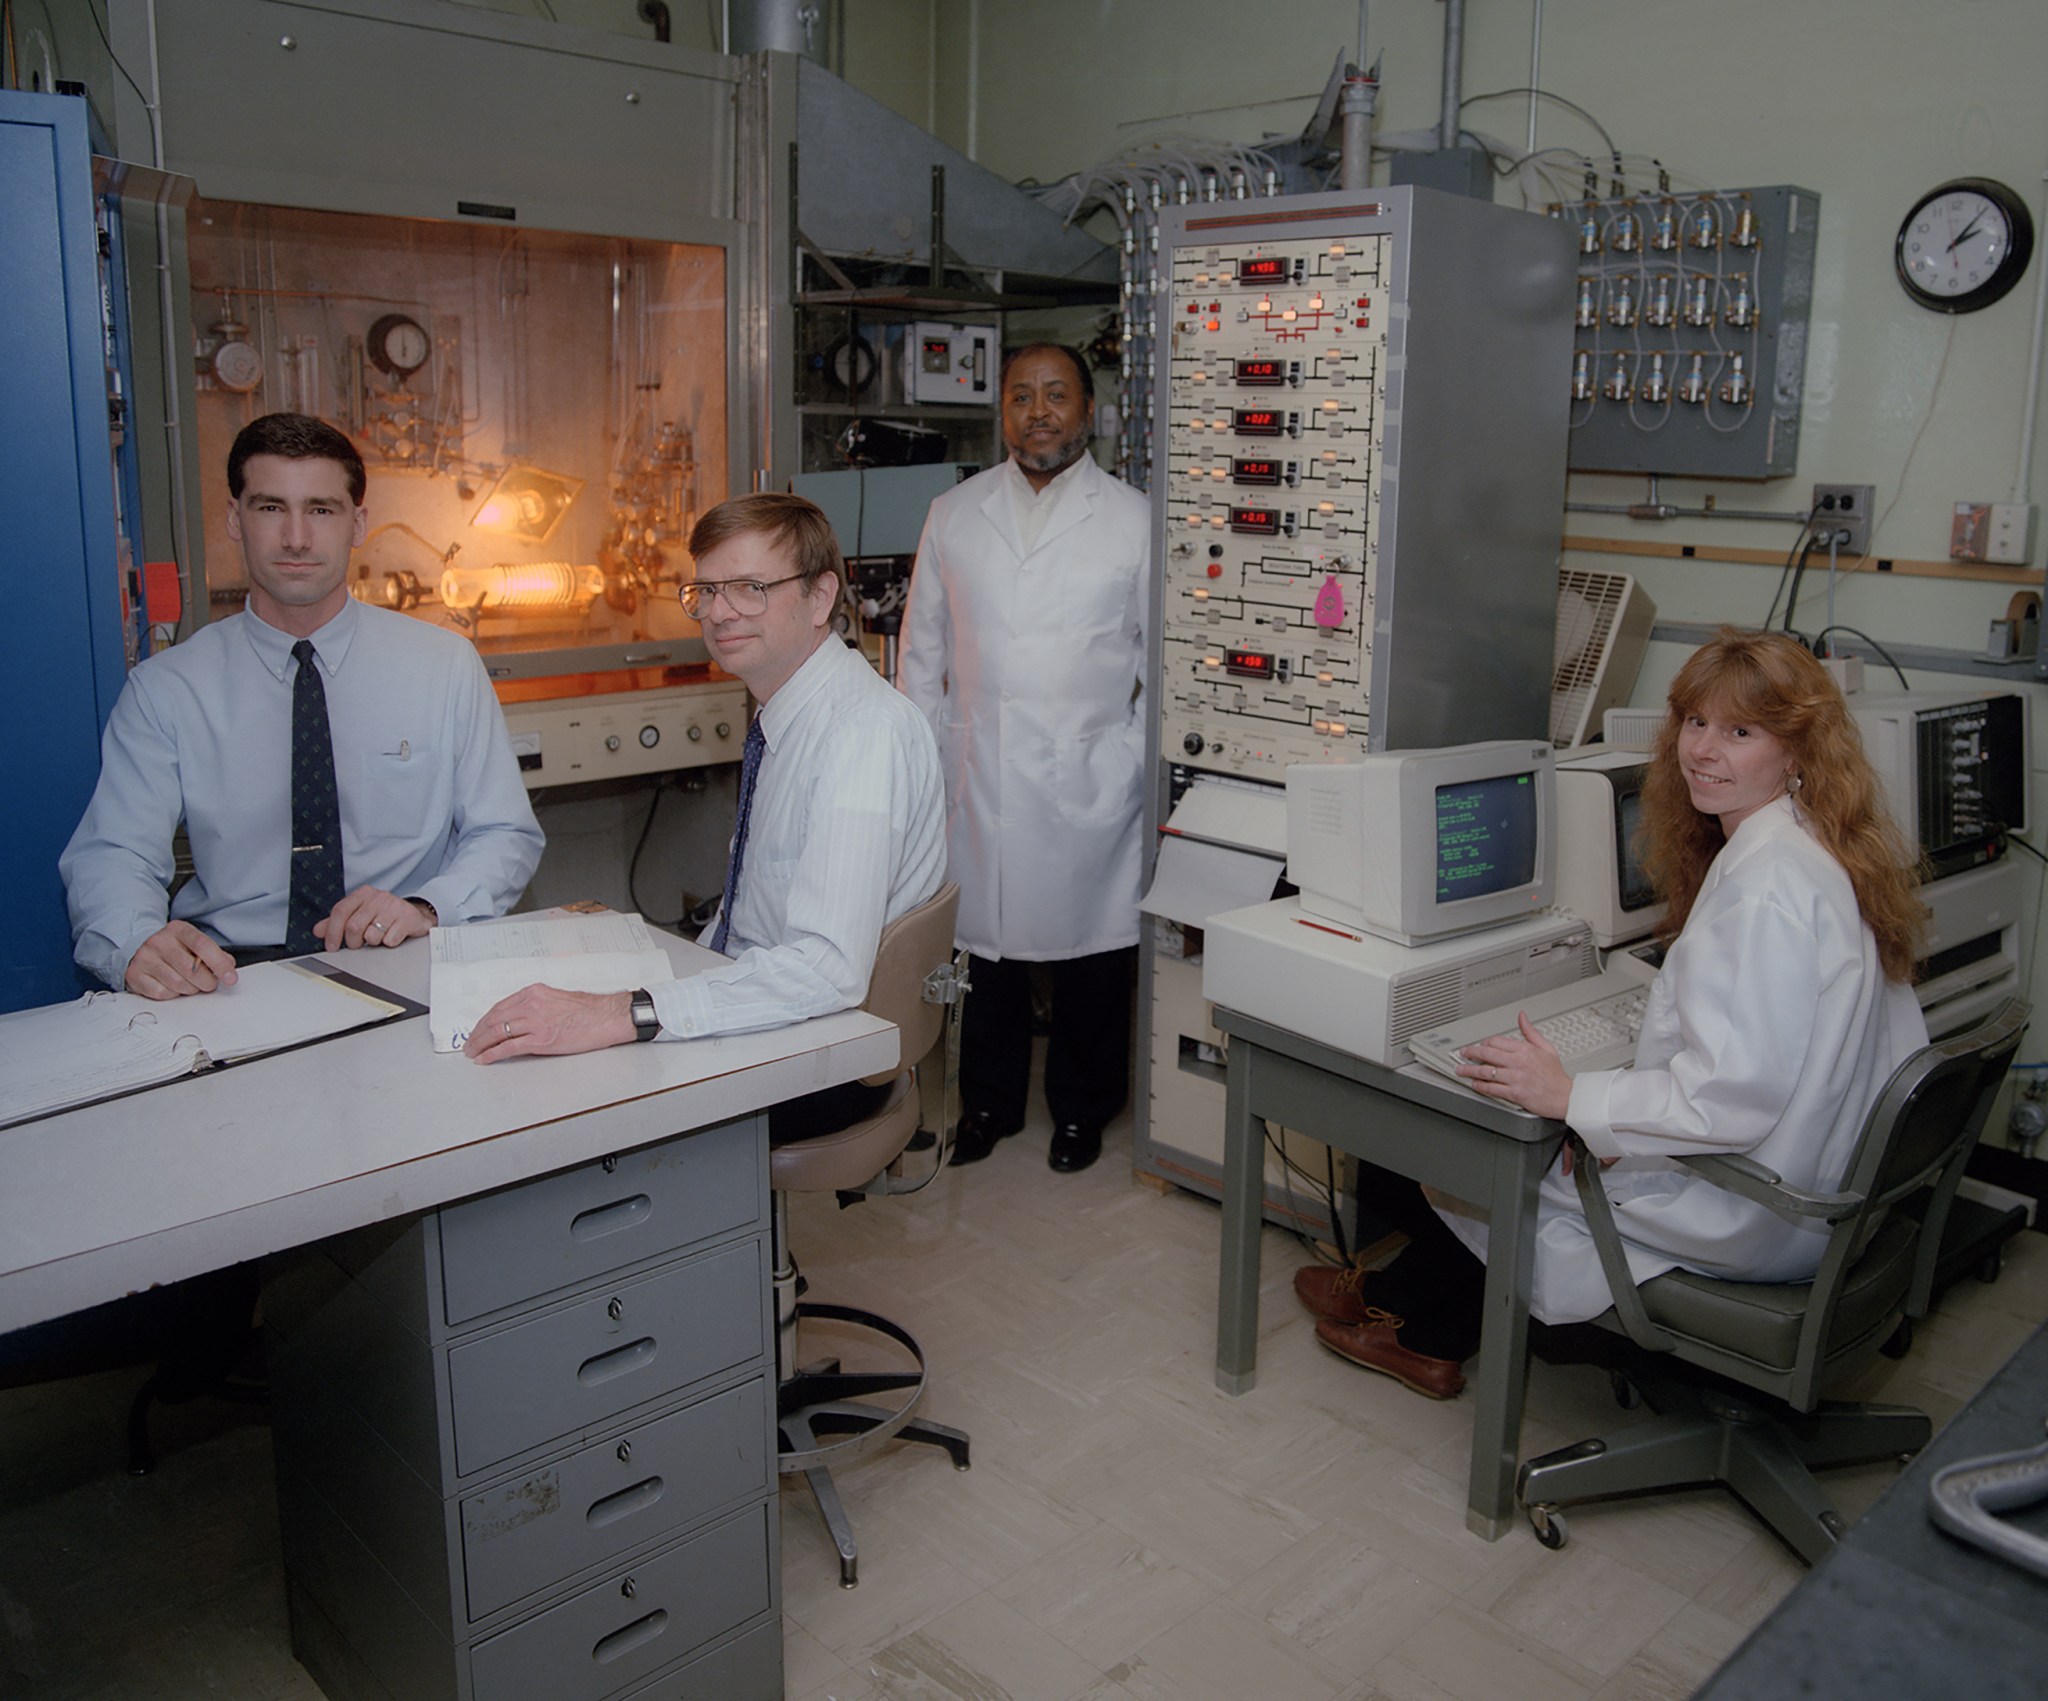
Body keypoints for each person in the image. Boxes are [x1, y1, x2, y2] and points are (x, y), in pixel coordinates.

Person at [1297, 629, 1929, 1399]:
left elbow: (1732, 1098)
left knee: (1484, 1154)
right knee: (1555, 1137)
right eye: (1695, 722)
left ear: (1796, 751)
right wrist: (1610, 1111)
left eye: (1740, 732)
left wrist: (1574, 1098)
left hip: (1761, 1209)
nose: (1704, 750)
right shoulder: (1811, 848)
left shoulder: (1768, 891)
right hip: (1819, 1181)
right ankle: (1396, 1297)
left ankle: (1424, 1332)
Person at [464, 493, 946, 1142]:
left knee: (544, 1105)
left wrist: (626, 1012)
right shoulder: (792, 711)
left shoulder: (860, 734)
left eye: (750, 587)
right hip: (774, 1005)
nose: (719, 612)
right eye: (707, 590)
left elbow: (825, 968)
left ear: (820, 596)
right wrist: (641, 978)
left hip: (820, 1053)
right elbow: (755, 911)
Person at [61, 412, 543, 997]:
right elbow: (113, 853)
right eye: (270, 508)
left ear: (358, 522)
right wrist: (135, 939)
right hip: (233, 975)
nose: (295, 537)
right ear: (234, 520)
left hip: (406, 958)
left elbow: (504, 833)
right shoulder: (167, 689)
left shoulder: (443, 666)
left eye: (320, 509)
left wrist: (428, 905)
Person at [897, 343, 1151, 1175]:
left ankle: (1083, 1108)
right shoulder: (955, 512)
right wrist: (921, 775)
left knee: (1094, 959)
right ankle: (990, 1104)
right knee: (985, 959)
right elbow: (920, 654)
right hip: (983, 774)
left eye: (1056, 395)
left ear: (1089, 409)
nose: (1038, 411)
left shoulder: (1136, 519)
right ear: (1000, 410)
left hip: (1092, 776)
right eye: (1020, 396)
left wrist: (1132, 763)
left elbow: (1165, 666)